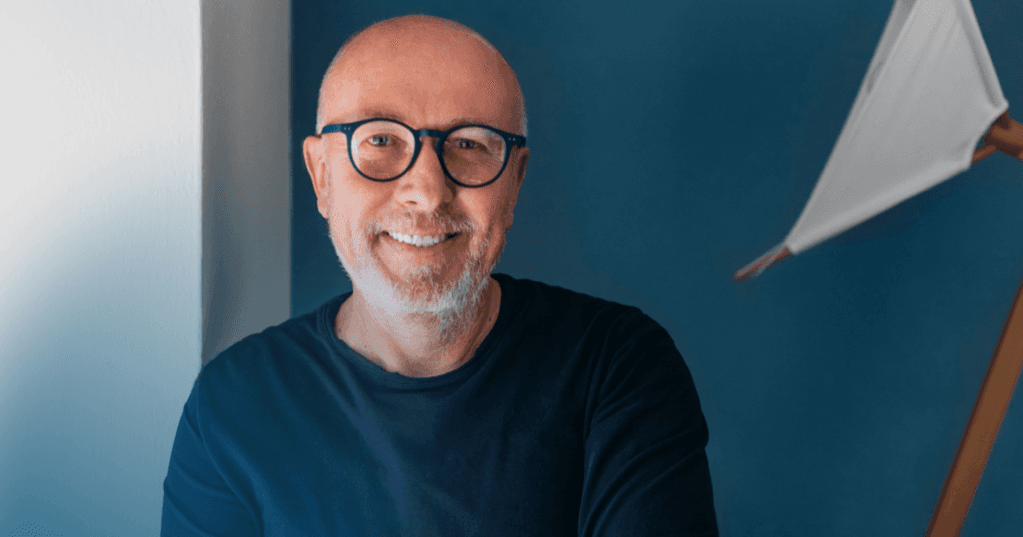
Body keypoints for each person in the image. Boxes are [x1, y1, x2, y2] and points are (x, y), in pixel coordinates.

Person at [162, 14, 718, 536]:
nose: (427, 191)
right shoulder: (235, 405)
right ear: (321, 175)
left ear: (515, 182)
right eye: (380, 140)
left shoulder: (615, 367)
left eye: (470, 145)